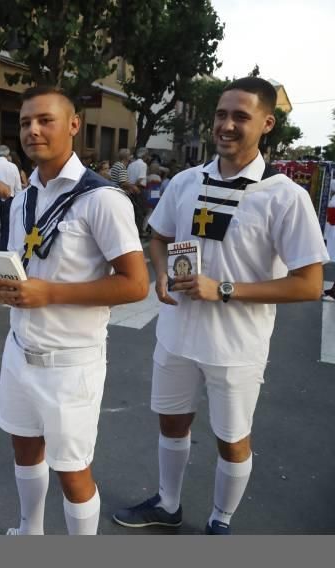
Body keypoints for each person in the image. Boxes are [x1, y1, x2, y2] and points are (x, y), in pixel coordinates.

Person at [113, 77, 329, 535]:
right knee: (172, 421)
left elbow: (309, 284)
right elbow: (160, 236)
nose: (226, 125)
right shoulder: (186, 181)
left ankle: (220, 519)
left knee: (232, 440)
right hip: (176, 333)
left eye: (240, 117)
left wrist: (224, 289)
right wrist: (161, 276)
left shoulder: (284, 196)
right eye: (221, 114)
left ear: (266, 124)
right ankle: (168, 504)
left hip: (236, 345)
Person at [0, 85, 148, 536]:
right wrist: (12, 290)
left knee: (73, 471)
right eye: (25, 122)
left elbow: (136, 284)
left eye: (45, 120)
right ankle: (30, 534)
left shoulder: (102, 198)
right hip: (20, 349)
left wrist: (51, 294)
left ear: (74, 125)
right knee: (24, 450)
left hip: (71, 362)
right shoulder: (22, 198)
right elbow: (29, 269)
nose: (33, 130)